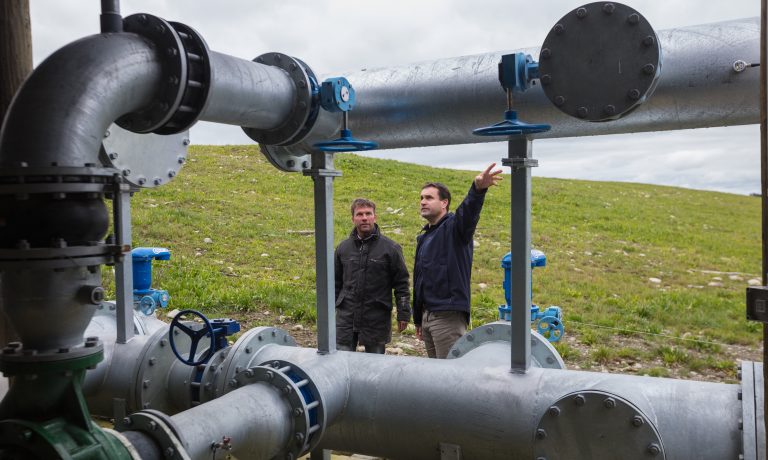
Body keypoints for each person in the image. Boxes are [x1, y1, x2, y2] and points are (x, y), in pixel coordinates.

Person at [413, 163, 502, 358]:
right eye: (421, 198)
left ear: (444, 203)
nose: (423, 202)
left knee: (450, 375)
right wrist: (419, 318)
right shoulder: (425, 237)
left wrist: (478, 189)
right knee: (436, 376)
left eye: (429, 198)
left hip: (447, 317)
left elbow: (468, 212)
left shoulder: (455, 229)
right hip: (428, 316)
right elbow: (420, 279)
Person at [335, 198, 411, 354]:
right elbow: (335, 282)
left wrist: (403, 313)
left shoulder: (390, 248)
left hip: (376, 317)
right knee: (341, 361)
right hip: (346, 318)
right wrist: (331, 311)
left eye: (368, 214)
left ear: (374, 217)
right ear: (353, 218)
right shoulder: (343, 248)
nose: (364, 218)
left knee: (375, 366)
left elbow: (401, 283)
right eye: (360, 214)